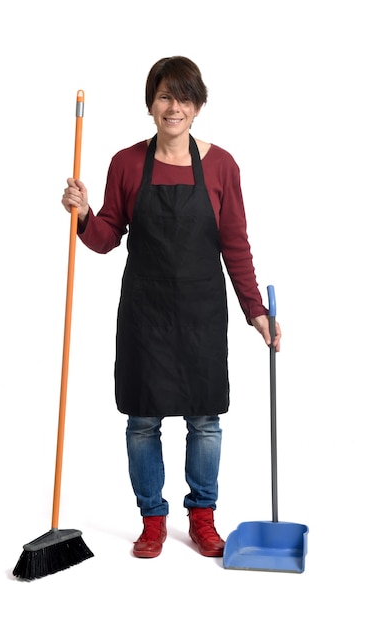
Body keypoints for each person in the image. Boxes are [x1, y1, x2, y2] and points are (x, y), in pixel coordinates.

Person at [61, 56, 281, 559]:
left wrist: (256, 312)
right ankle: (152, 521)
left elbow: (236, 245)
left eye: (183, 97)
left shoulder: (222, 165)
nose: (173, 107)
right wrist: (84, 213)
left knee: (205, 421)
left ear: (198, 106)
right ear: (150, 104)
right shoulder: (126, 163)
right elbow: (104, 239)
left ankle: (203, 517)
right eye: (164, 96)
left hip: (202, 315)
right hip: (145, 314)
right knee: (142, 422)